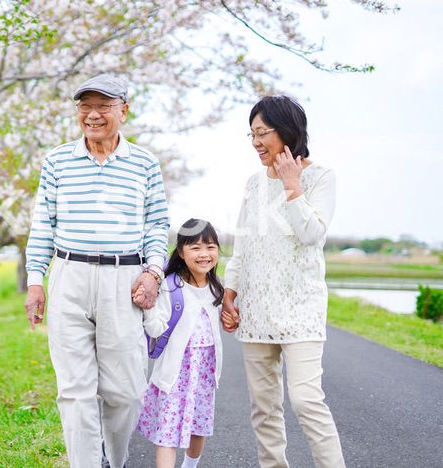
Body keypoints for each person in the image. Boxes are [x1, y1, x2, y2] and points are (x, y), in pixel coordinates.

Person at [24, 74, 170, 468]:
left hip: (124, 280)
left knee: (125, 392)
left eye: (103, 106)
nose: (93, 114)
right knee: (74, 390)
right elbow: (43, 225)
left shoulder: (144, 163)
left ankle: (113, 460)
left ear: (124, 109)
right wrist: (35, 281)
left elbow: (157, 226)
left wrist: (153, 273)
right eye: (85, 106)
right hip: (69, 275)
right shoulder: (57, 160)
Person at [221, 95, 345, 468]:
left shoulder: (320, 177)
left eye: (263, 133)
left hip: (301, 307)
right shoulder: (253, 184)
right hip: (256, 309)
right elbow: (242, 246)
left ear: (287, 131)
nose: (256, 142)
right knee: (264, 407)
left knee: (306, 399)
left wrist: (293, 186)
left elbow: (311, 234)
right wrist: (230, 292)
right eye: (252, 134)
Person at [136, 218, 224, 468]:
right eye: (195, 247)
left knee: (199, 427)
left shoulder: (215, 287)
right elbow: (155, 329)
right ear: (181, 252)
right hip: (175, 374)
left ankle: (190, 465)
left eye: (210, 247)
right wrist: (149, 308)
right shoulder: (170, 285)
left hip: (205, 373)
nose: (204, 254)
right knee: (168, 433)